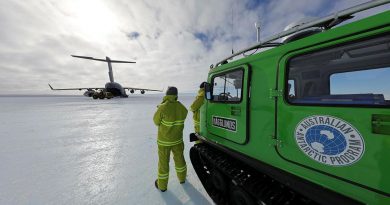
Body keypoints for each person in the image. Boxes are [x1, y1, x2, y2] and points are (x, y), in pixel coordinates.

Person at [153, 86, 188, 192]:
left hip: (164, 142)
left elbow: (155, 121)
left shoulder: (162, 107)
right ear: (176, 95)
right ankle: (182, 179)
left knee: (163, 163)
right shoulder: (182, 107)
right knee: (180, 159)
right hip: (177, 140)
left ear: (167, 95)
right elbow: (185, 114)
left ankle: (162, 186)